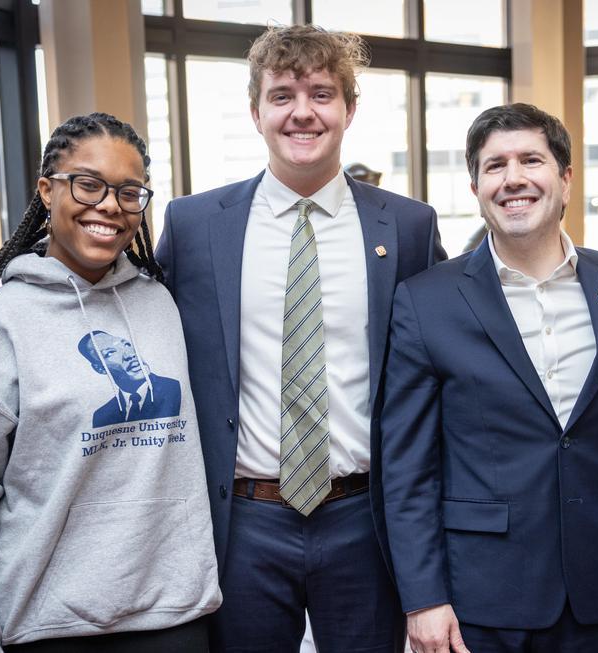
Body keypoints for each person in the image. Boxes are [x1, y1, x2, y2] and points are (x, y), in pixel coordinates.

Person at [156, 25, 443, 651]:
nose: (303, 112)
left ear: (349, 109)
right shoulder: (195, 224)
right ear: (255, 110)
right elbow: (123, 307)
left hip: (364, 519)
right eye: (282, 94)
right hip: (241, 521)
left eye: (321, 93)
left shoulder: (410, 227)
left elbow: (453, 340)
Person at [379, 103, 598, 653]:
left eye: (531, 160)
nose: (513, 178)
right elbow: (407, 467)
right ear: (475, 186)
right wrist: (423, 598)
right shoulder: (426, 301)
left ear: (565, 178)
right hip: (483, 592)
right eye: (494, 166)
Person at [0, 113, 221, 652]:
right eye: (87, 184)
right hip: (47, 625)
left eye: (129, 192)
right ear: (46, 190)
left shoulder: (166, 303)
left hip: (174, 616)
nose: (108, 205)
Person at [77, 330, 182, 427]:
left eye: (126, 344)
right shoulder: (101, 416)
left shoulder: (176, 389)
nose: (129, 354)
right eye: (110, 353)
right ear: (100, 368)